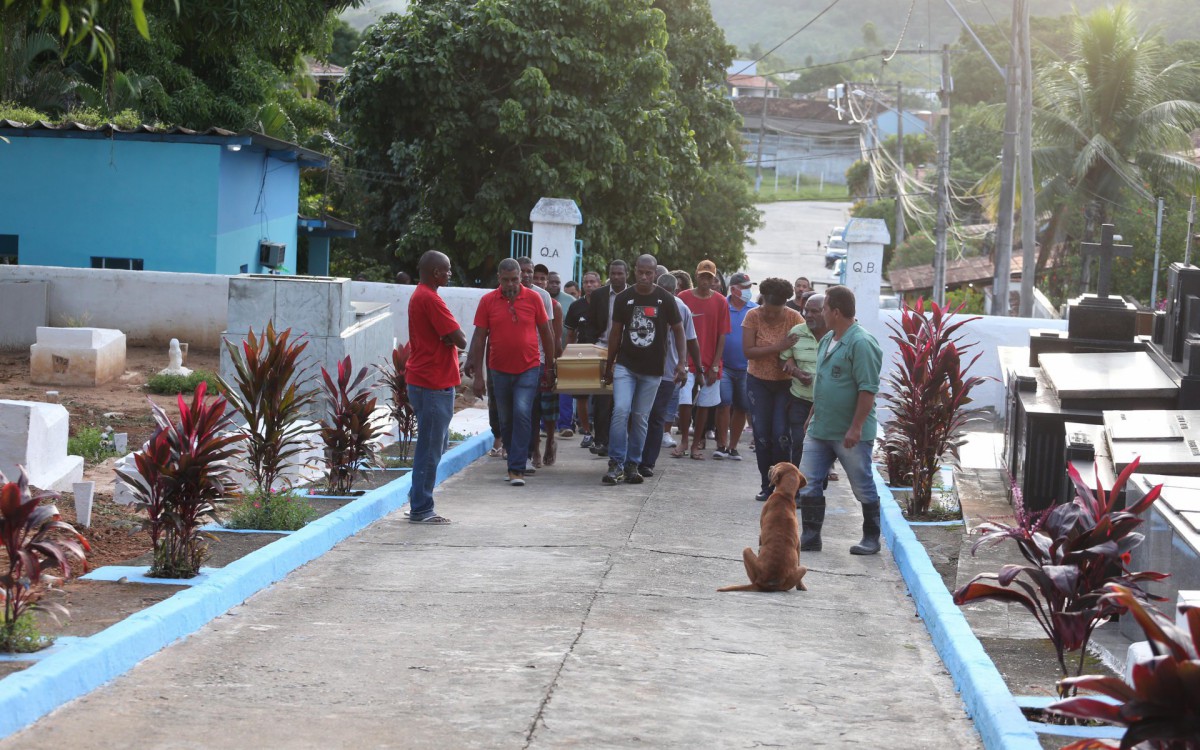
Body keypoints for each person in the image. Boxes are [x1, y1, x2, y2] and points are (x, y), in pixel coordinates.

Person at [795, 285, 884, 555]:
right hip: (821, 427)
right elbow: (822, 384)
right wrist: (812, 415)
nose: (819, 313)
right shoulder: (827, 339)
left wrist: (856, 427)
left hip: (848, 431)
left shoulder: (861, 343)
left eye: (823, 308)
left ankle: (871, 538)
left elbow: (867, 389)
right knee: (807, 481)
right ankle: (811, 536)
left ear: (835, 311)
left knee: (861, 484)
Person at [466, 258, 556, 487]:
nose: (511, 284)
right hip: (499, 369)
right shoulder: (488, 301)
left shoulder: (534, 298)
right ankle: (512, 458)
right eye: (506, 280)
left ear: (520, 277)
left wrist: (550, 366)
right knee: (505, 418)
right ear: (499, 278)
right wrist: (478, 374)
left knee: (522, 411)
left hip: (529, 367)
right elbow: (479, 337)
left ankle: (517, 468)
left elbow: (546, 333)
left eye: (514, 279)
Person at [600, 255, 686, 484]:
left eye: (649, 273)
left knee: (640, 417)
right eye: (641, 272)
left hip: (653, 369)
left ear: (655, 274)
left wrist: (681, 363)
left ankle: (632, 464)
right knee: (620, 411)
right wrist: (609, 365)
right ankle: (616, 463)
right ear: (634, 272)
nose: (645, 277)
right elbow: (615, 333)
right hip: (626, 366)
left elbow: (679, 331)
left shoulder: (665, 299)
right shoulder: (624, 298)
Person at [404, 251, 465, 525]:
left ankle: (418, 498)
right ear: (435, 273)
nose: (449, 274)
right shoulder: (430, 298)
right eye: (447, 270)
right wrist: (450, 338)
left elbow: (451, 337)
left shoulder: (421, 295)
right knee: (430, 448)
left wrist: (448, 338)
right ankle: (421, 508)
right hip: (432, 383)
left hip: (428, 380)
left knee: (433, 445)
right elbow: (461, 339)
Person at [742, 278, 804, 502]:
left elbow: (800, 352)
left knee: (780, 434)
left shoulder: (794, 318)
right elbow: (748, 351)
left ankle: (783, 485)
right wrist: (778, 348)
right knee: (761, 436)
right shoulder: (753, 316)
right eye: (768, 310)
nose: (771, 315)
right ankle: (766, 485)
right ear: (763, 301)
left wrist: (792, 364)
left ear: (784, 306)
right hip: (758, 381)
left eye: (776, 312)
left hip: (785, 384)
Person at [637, 272, 701, 476]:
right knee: (653, 417)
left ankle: (643, 461)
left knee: (647, 416)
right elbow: (693, 342)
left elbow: (689, 339)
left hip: (661, 371)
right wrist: (696, 368)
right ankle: (643, 462)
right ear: (677, 290)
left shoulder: (679, 308)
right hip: (658, 372)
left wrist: (693, 368)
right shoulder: (679, 306)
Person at [675, 260, 729, 460]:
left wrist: (715, 364)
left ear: (714, 278)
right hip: (686, 360)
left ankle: (697, 443)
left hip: (710, 361)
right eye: (702, 275)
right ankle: (684, 442)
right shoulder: (683, 298)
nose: (706, 280)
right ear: (696, 276)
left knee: (705, 404)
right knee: (685, 401)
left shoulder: (721, 301)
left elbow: (723, 335)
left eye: (709, 276)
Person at [583, 259, 629, 456]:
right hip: (602, 349)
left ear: (627, 274)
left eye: (620, 273)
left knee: (623, 400)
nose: (616, 277)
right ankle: (601, 440)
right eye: (613, 273)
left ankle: (620, 442)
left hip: (628, 351)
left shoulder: (634, 294)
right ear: (608, 275)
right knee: (602, 398)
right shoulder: (599, 295)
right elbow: (592, 324)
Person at [523, 258, 562, 468]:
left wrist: (551, 363)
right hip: (527, 362)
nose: (536, 280)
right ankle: (535, 448)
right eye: (532, 275)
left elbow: (553, 336)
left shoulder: (550, 302)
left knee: (548, 407)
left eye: (540, 278)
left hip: (543, 358)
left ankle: (550, 442)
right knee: (532, 408)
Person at [780, 292, 825, 473]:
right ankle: (797, 488)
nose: (808, 315)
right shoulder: (797, 332)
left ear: (827, 312)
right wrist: (797, 372)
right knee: (799, 442)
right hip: (800, 398)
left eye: (814, 311)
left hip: (825, 403)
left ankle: (815, 491)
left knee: (821, 446)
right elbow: (784, 358)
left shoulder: (836, 335)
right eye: (806, 311)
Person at [714, 272, 756, 460]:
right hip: (724, 366)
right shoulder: (721, 305)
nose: (749, 291)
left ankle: (733, 446)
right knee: (723, 404)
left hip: (747, 368)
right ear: (734, 289)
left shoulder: (754, 310)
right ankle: (721, 445)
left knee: (742, 406)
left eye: (749, 287)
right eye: (745, 288)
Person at [564, 270, 603, 446]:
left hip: (603, 354)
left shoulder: (606, 303)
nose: (589, 285)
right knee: (581, 396)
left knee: (603, 396)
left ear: (599, 283)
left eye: (592, 282)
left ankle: (602, 434)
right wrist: (568, 355)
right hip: (581, 354)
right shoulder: (576, 306)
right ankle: (587, 432)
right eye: (586, 282)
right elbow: (570, 333)